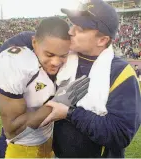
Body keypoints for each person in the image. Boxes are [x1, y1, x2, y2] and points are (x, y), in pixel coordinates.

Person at [40, 0, 141, 158]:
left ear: (102, 40)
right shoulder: (63, 59)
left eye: (79, 29)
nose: (71, 32)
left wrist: (69, 113)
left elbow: (120, 134)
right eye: (71, 25)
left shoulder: (121, 73)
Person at [0, 17, 89, 158]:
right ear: (34, 43)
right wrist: (57, 103)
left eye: (62, 55)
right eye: (49, 54)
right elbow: (12, 129)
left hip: (48, 145)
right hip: (19, 149)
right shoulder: (18, 64)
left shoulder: (69, 62)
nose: (56, 62)